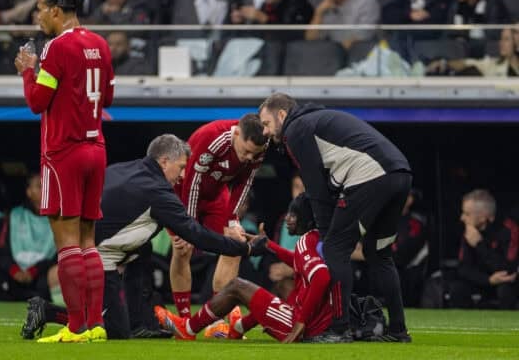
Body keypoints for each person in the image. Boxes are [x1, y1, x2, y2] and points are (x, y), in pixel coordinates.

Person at [20, 134, 268, 340]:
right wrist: (244, 249)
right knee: (114, 330)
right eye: (181, 167)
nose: (183, 176)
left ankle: (141, 323)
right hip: (98, 258)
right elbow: (197, 235)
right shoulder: (157, 192)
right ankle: (49, 311)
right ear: (164, 162)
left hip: (93, 247)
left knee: (143, 249)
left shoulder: (130, 169)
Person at [258, 93, 412, 343]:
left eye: (266, 124)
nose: (265, 132)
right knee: (379, 254)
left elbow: (316, 187)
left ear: (282, 115)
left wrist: (325, 231)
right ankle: (398, 331)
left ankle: (340, 330)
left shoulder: (295, 130)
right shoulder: (315, 120)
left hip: (371, 175)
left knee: (334, 248)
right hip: (400, 174)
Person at [14, 0, 115, 343]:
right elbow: (109, 96)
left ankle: (75, 327)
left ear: (57, 10)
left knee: (67, 243)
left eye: (40, 9)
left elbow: (38, 101)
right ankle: (96, 325)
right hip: (96, 148)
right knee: (89, 242)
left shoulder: (56, 47)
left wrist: (29, 70)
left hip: (64, 153)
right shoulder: (100, 44)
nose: (37, 16)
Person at [157, 193, 333, 343]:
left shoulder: (305, 241)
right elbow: (299, 261)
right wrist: (268, 245)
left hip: (296, 324)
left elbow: (322, 277)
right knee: (270, 292)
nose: (287, 218)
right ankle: (238, 327)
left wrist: (300, 324)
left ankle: (187, 329)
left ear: (306, 219)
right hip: (313, 323)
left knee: (237, 286)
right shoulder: (316, 238)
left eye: (293, 215)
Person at [169, 114, 267, 330]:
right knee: (182, 249)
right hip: (182, 194)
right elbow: (192, 183)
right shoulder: (212, 138)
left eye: (254, 153)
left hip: (215, 195)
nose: (249, 157)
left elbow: (245, 183)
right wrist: (189, 227)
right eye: (246, 150)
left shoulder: (260, 147)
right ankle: (184, 318)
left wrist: (232, 221)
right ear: (238, 133)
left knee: (236, 244)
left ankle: (217, 318)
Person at [0, 173, 56, 301]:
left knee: (45, 286)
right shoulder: (12, 216)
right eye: (40, 186)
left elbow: (61, 253)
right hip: (14, 272)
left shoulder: (60, 219)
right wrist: (14, 270)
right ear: (29, 192)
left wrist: (34, 271)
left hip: (42, 273)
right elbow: (0, 249)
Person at [447, 190, 518, 309]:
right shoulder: (470, 231)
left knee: (505, 290)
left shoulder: (509, 230)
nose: (462, 218)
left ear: (483, 216)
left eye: (467, 214)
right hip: (484, 280)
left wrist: (479, 245)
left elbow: (508, 269)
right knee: (457, 289)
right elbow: (463, 269)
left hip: (506, 282)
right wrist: (488, 280)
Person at [446, 0, 510, 55]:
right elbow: (448, 35)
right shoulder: (455, 5)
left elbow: (493, 39)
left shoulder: (493, 5)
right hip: (460, 54)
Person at [427, 28, 519, 77]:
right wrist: (444, 63)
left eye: (506, 39)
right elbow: (467, 62)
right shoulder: (492, 64)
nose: (501, 43)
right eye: (501, 39)